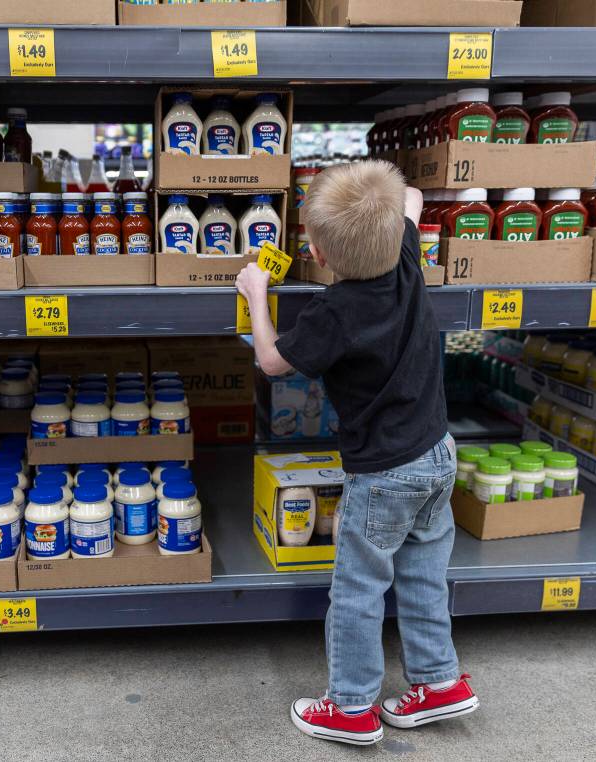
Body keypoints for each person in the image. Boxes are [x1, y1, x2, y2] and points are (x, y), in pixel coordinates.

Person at [236, 160, 478, 746]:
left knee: (358, 588)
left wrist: (257, 292)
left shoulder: (333, 313)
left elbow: (271, 362)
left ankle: (349, 707)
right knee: (423, 573)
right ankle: (439, 683)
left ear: (316, 252)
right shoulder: (405, 257)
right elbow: (413, 196)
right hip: (438, 454)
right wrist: (381, 202)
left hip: (384, 473)